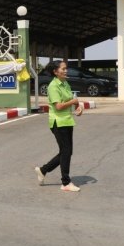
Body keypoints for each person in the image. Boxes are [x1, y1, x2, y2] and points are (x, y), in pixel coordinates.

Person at [34, 60, 83, 192]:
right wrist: (74, 101)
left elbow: (71, 100)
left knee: (66, 152)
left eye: (66, 68)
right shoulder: (53, 86)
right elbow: (59, 106)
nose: (66, 71)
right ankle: (65, 182)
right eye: (63, 69)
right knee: (66, 151)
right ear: (55, 72)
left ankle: (43, 170)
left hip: (67, 121)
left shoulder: (65, 83)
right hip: (58, 122)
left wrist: (77, 107)